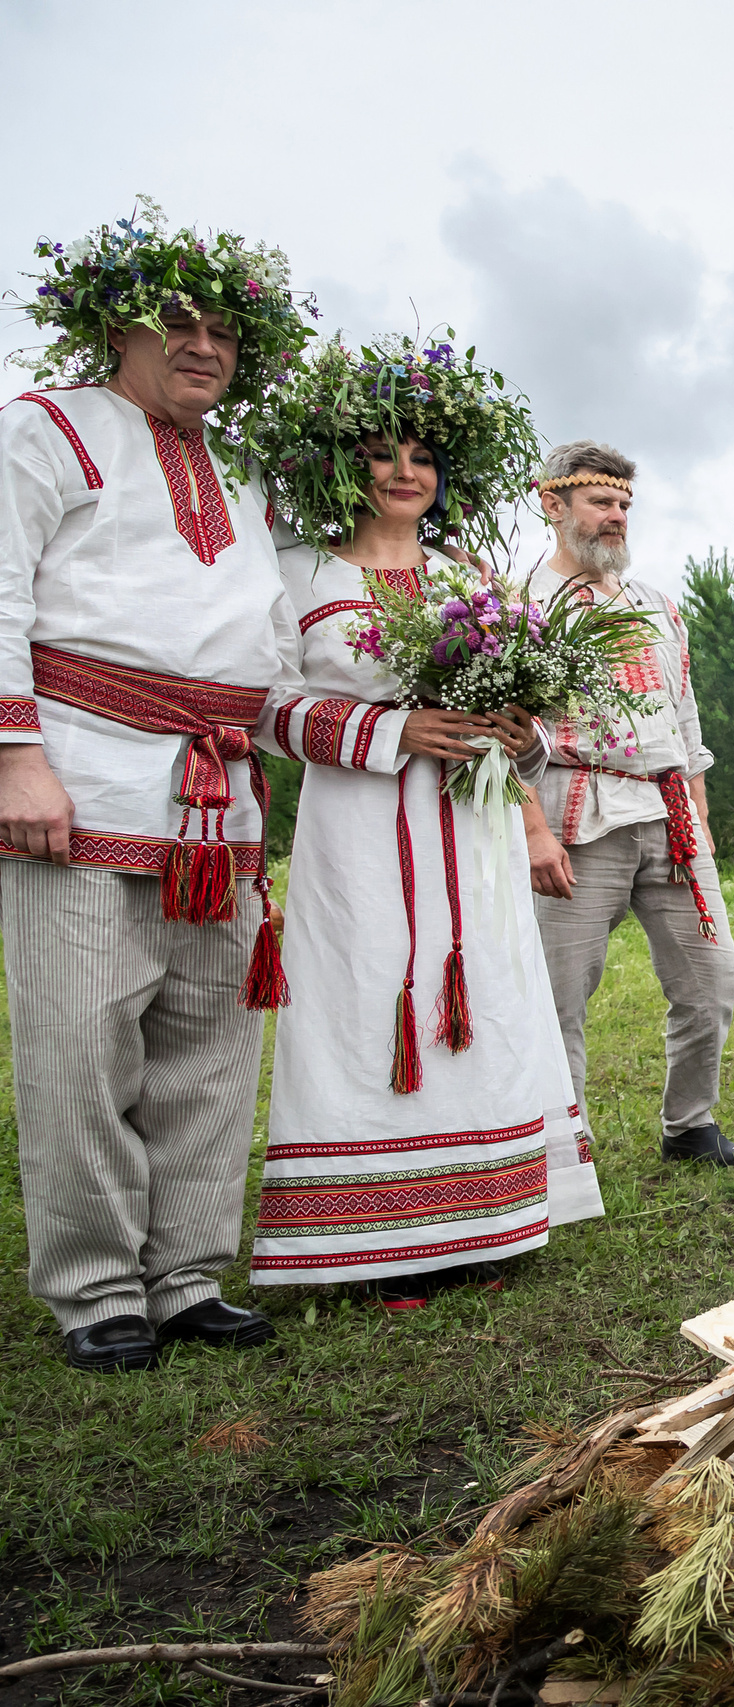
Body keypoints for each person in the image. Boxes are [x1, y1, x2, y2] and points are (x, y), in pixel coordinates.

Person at [0, 203, 313, 1371]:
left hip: (218, 796)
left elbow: (268, 643)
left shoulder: (238, 479)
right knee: (82, 1042)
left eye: (226, 333)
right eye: (179, 320)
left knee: (211, 1036)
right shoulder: (46, 429)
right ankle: (94, 1289)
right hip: (78, 776)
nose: (205, 346)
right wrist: (14, 754)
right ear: (117, 324)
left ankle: (184, 1273)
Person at [246, 335, 603, 1306]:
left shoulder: (466, 577)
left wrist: (514, 727)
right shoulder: (300, 574)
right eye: (382, 452)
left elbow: (522, 721)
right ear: (341, 463)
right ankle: (372, 1241)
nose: (405, 471)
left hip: (473, 831)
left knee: (486, 995)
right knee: (363, 998)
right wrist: (396, 730)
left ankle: (484, 1222)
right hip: (359, 832)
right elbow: (266, 708)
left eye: (424, 456)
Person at [518, 441, 734, 1166]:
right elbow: (502, 729)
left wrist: (699, 821)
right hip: (572, 809)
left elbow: (685, 720)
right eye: (600, 502)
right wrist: (532, 832)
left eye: (623, 504)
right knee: (561, 993)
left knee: (712, 977)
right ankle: (560, 1150)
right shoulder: (520, 603)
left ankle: (691, 1125)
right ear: (553, 504)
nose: (615, 516)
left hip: (669, 812)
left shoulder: (655, 603)